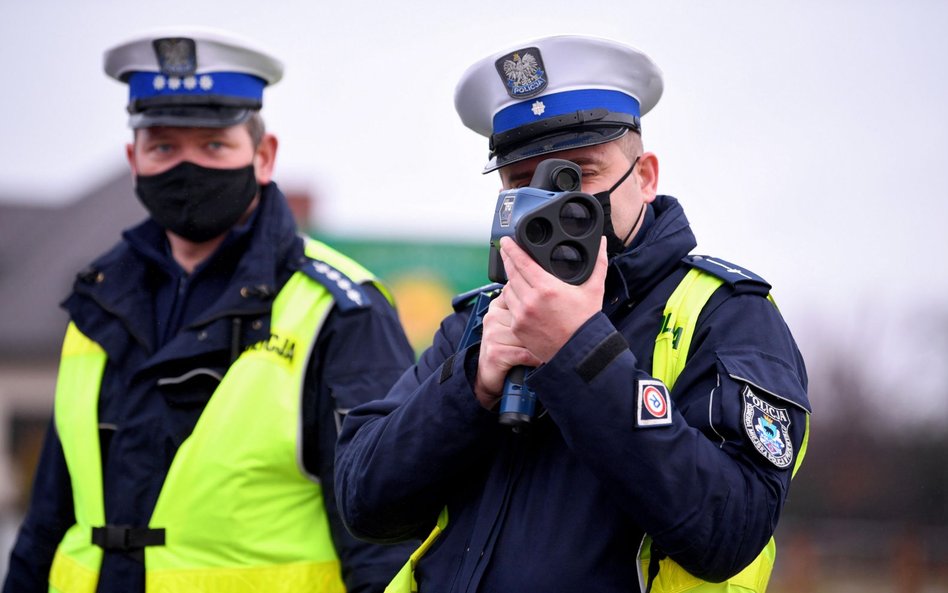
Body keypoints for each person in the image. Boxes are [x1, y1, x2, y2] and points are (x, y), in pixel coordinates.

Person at [334, 34, 811, 592]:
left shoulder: (724, 314)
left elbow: (729, 530)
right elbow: (364, 503)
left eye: (577, 176)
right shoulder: (479, 321)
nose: (550, 205)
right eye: (521, 183)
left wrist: (581, 353)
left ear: (646, 176)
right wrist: (471, 386)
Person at [3, 27, 416, 593]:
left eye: (214, 145)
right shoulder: (96, 298)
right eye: (164, 147)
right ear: (134, 158)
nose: (187, 168)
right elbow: (48, 516)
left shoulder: (341, 309)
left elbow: (380, 533)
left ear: (263, 156)